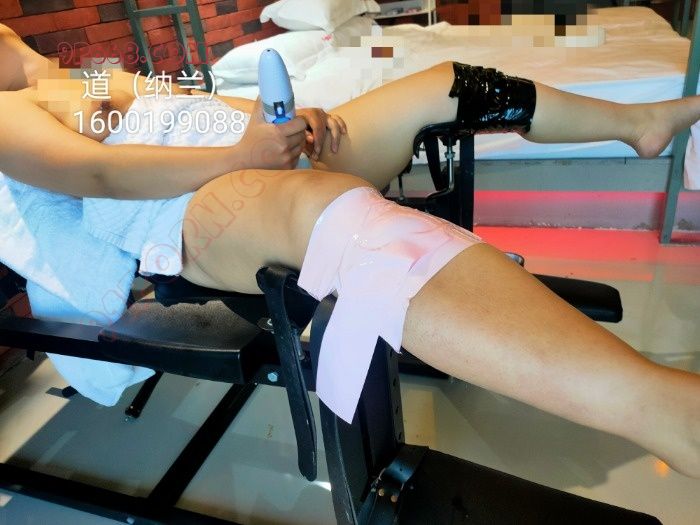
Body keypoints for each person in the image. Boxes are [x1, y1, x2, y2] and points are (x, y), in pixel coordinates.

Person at [0, 24, 698, 478]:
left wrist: (281, 123)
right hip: (177, 205)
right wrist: (239, 156)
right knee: (337, 217)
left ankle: (638, 122)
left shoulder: (65, 75)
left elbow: (182, 108)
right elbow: (95, 175)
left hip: (237, 152)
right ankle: (661, 409)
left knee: (444, 83)